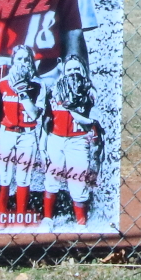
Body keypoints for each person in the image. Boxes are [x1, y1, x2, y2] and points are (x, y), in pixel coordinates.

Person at [43, 59, 102, 225]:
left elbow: (93, 120)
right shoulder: (55, 89)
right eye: (69, 69)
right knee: (52, 178)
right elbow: (47, 115)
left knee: (78, 181)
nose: (73, 71)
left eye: (77, 68)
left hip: (78, 139)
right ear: (63, 71)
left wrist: (73, 109)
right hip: (55, 138)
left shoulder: (89, 91)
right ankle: (48, 219)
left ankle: (81, 222)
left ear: (83, 70)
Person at [0, 44, 42, 216]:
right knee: (4, 176)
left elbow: (35, 114)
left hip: (27, 135)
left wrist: (24, 94)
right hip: (6, 132)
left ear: (31, 62)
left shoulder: (38, 85)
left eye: (26, 59)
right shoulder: (3, 84)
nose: (22, 62)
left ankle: (21, 214)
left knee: (23, 177)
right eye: (19, 59)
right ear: (13, 61)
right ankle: (1, 213)